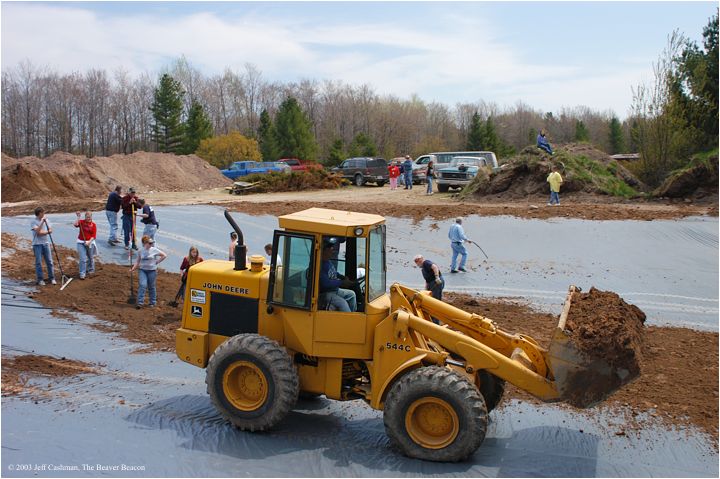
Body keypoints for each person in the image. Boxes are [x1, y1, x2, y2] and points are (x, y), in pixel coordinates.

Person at [319, 239, 357, 312]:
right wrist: (341, 283)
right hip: (325, 293)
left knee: (351, 295)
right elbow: (325, 283)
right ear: (325, 250)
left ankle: (353, 314)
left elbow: (334, 273)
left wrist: (342, 276)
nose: (332, 251)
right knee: (342, 303)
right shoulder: (320, 265)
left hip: (334, 290)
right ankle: (350, 321)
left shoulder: (328, 262)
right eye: (330, 248)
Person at [130, 235, 167, 309]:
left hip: (152, 271)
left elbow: (164, 255)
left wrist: (157, 262)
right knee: (142, 285)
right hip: (142, 270)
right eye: (149, 243)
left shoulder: (154, 250)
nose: (151, 244)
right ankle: (140, 302)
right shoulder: (140, 251)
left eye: (151, 243)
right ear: (144, 243)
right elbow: (138, 261)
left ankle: (152, 302)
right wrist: (133, 268)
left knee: (151, 286)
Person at [30, 207, 56, 286]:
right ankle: (40, 279)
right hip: (37, 244)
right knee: (38, 262)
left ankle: (52, 278)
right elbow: (38, 232)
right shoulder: (33, 222)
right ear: (39, 213)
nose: (44, 214)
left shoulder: (47, 220)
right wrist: (42, 223)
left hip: (46, 243)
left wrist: (44, 232)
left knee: (50, 261)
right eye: (43, 213)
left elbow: (50, 230)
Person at [73, 209, 97, 280]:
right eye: (87, 217)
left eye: (89, 217)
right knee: (82, 258)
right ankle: (82, 273)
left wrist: (89, 242)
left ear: (91, 217)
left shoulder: (93, 225)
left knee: (90, 257)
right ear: (85, 217)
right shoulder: (81, 222)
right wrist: (78, 217)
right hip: (81, 242)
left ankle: (91, 270)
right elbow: (75, 224)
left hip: (90, 243)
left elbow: (94, 236)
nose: (88, 219)